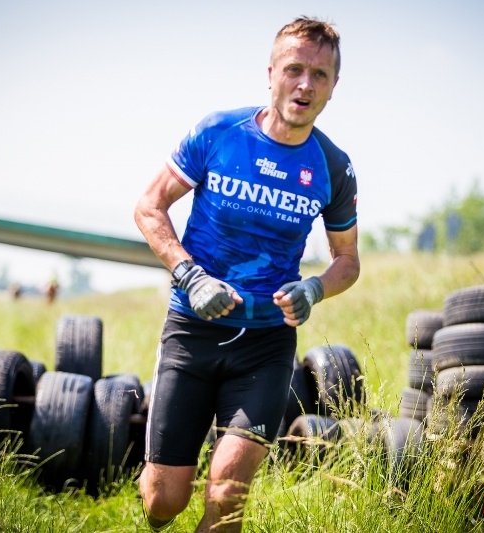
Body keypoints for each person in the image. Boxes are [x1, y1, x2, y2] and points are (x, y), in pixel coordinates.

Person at [133, 16, 359, 532]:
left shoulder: (333, 166)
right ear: (271, 73)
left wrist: (314, 288)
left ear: (333, 86)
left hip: (266, 344)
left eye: (320, 75)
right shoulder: (219, 132)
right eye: (294, 69)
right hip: (193, 331)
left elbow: (347, 261)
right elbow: (149, 206)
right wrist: (190, 276)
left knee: (228, 489)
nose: (305, 85)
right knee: (163, 502)